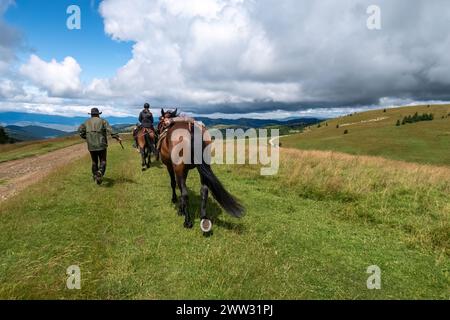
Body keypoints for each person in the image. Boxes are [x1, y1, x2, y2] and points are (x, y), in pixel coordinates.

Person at [78, 108, 121, 185]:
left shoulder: (86, 122)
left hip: (91, 145)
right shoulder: (103, 121)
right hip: (101, 144)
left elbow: (80, 131)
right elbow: (110, 130)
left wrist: (87, 137)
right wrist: (116, 137)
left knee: (94, 161)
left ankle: (95, 176)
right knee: (103, 160)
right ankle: (100, 172)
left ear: (91, 114)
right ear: (98, 114)